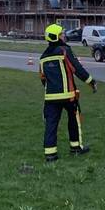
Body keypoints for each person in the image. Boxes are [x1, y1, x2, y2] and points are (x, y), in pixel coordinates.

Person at [40, 24, 97, 162]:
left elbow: (42, 78)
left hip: (50, 97)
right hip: (68, 96)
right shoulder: (64, 50)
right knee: (74, 120)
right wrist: (91, 82)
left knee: (51, 124)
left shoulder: (43, 57)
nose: (64, 36)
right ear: (56, 37)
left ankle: (50, 155)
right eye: (61, 34)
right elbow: (77, 69)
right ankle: (76, 148)